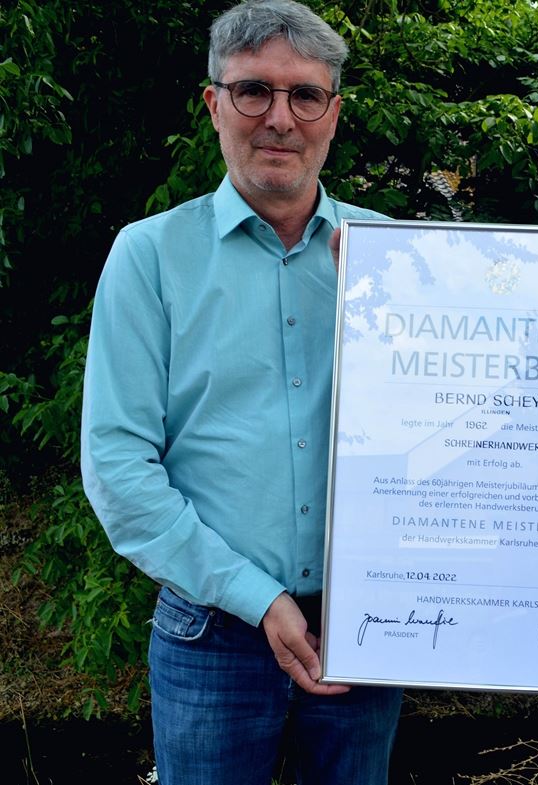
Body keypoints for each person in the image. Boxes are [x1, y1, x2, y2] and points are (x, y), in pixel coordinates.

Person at [80, 1, 401, 782]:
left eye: (305, 95)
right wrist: (257, 597)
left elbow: (442, 435)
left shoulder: (394, 254)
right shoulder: (149, 256)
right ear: (214, 103)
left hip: (368, 624)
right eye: (254, 91)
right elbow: (119, 467)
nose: (280, 118)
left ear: (334, 112)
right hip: (212, 633)